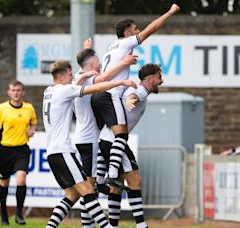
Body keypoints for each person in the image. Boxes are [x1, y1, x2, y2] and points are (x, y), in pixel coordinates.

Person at [91, 3, 180, 188]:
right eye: (135, 29)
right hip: (110, 94)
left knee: (107, 136)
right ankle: (112, 174)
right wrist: (170, 12)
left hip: (98, 94)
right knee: (121, 135)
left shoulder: (112, 46)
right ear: (127, 34)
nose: (138, 31)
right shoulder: (126, 42)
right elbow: (152, 28)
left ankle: (100, 178)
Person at [43, 60, 136, 228]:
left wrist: (84, 75)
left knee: (72, 195)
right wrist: (122, 81)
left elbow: (73, 87)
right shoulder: (63, 91)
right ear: (61, 76)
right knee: (88, 190)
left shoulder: (49, 91)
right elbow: (95, 88)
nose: (73, 78)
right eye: (70, 75)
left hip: (52, 152)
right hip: (63, 151)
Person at [73, 47, 137, 227]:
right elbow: (103, 80)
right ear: (92, 64)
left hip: (84, 138)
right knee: (88, 188)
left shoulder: (79, 77)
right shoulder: (87, 78)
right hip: (89, 139)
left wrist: (86, 50)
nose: (102, 64)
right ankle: (89, 225)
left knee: (90, 186)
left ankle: (102, 182)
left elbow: (90, 71)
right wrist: (123, 73)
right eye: (98, 61)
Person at [97, 64, 163, 228]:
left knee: (117, 185)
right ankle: (141, 225)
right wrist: (130, 99)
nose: (162, 81)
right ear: (150, 78)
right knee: (135, 181)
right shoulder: (140, 91)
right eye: (159, 77)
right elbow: (133, 96)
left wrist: (128, 97)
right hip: (115, 141)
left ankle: (112, 225)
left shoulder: (140, 91)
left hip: (106, 139)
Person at [0, 80, 37, 225]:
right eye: (13, 90)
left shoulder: (29, 108)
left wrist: (32, 131)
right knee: (4, 183)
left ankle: (19, 214)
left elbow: (33, 122)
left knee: (21, 179)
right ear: (9, 92)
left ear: (23, 92)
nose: (16, 93)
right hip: (4, 151)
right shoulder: (1, 109)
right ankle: (3, 214)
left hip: (22, 150)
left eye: (19, 90)